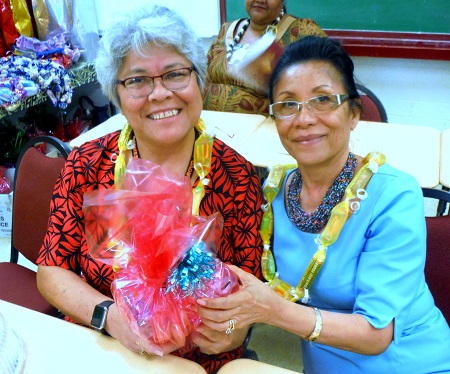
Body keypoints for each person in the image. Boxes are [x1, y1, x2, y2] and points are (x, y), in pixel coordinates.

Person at [197, 36, 450, 373]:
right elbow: (257, 282)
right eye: (288, 104)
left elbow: (376, 335)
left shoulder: (394, 196)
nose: (304, 118)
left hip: (407, 364)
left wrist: (271, 311)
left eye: (323, 100)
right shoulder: (275, 189)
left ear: (354, 114)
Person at [35, 5, 264, 374]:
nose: (159, 94)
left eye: (175, 74)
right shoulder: (90, 166)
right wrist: (109, 318)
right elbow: (52, 270)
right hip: (104, 344)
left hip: (194, 361)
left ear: (199, 81)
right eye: (138, 80)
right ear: (117, 95)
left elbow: (249, 299)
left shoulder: (236, 176)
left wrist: (233, 331)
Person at [203, 0, 327, 116]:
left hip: (266, 131)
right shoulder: (227, 29)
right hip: (211, 128)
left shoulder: (301, 32)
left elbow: (331, 80)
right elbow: (203, 78)